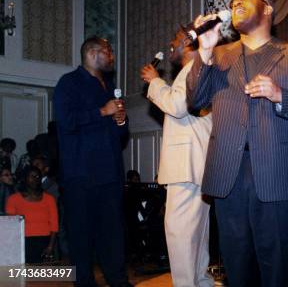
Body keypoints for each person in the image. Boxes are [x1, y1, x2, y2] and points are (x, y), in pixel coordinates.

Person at [186, 0, 288, 287]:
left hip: (275, 172)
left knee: (279, 268)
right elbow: (194, 101)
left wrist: (278, 95)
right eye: (233, 1)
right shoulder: (218, 55)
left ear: (268, 9)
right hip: (228, 174)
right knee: (237, 266)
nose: (236, 2)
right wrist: (204, 52)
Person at [54, 37, 131, 287]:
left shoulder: (107, 85)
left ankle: (118, 280)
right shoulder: (69, 83)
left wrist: (120, 120)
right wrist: (102, 112)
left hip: (110, 175)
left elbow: (119, 134)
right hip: (81, 176)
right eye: (108, 51)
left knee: (112, 234)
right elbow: (66, 122)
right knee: (81, 236)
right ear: (92, 53)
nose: (112, 57)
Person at [140, 26, 214, 287]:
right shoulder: (202, 70)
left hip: (186, 165)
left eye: (175, 40)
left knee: (180, 233)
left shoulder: (191, 70)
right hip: (197, 165)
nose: (171, 44)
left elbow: (177, 106)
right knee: (196, 233)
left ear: (187, 41)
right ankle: (200, 282)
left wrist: (155, 81)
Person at [6, 166, 58, 263]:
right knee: (23, 276)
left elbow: (54, 225)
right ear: (25, 178)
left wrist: (50, 247)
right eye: (32, 176)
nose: (35, 179)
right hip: (22, 242)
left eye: (38, 176)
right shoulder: (13, 199)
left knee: (40, 276)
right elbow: (10, 226)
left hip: (44, 242)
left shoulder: (49, 199)